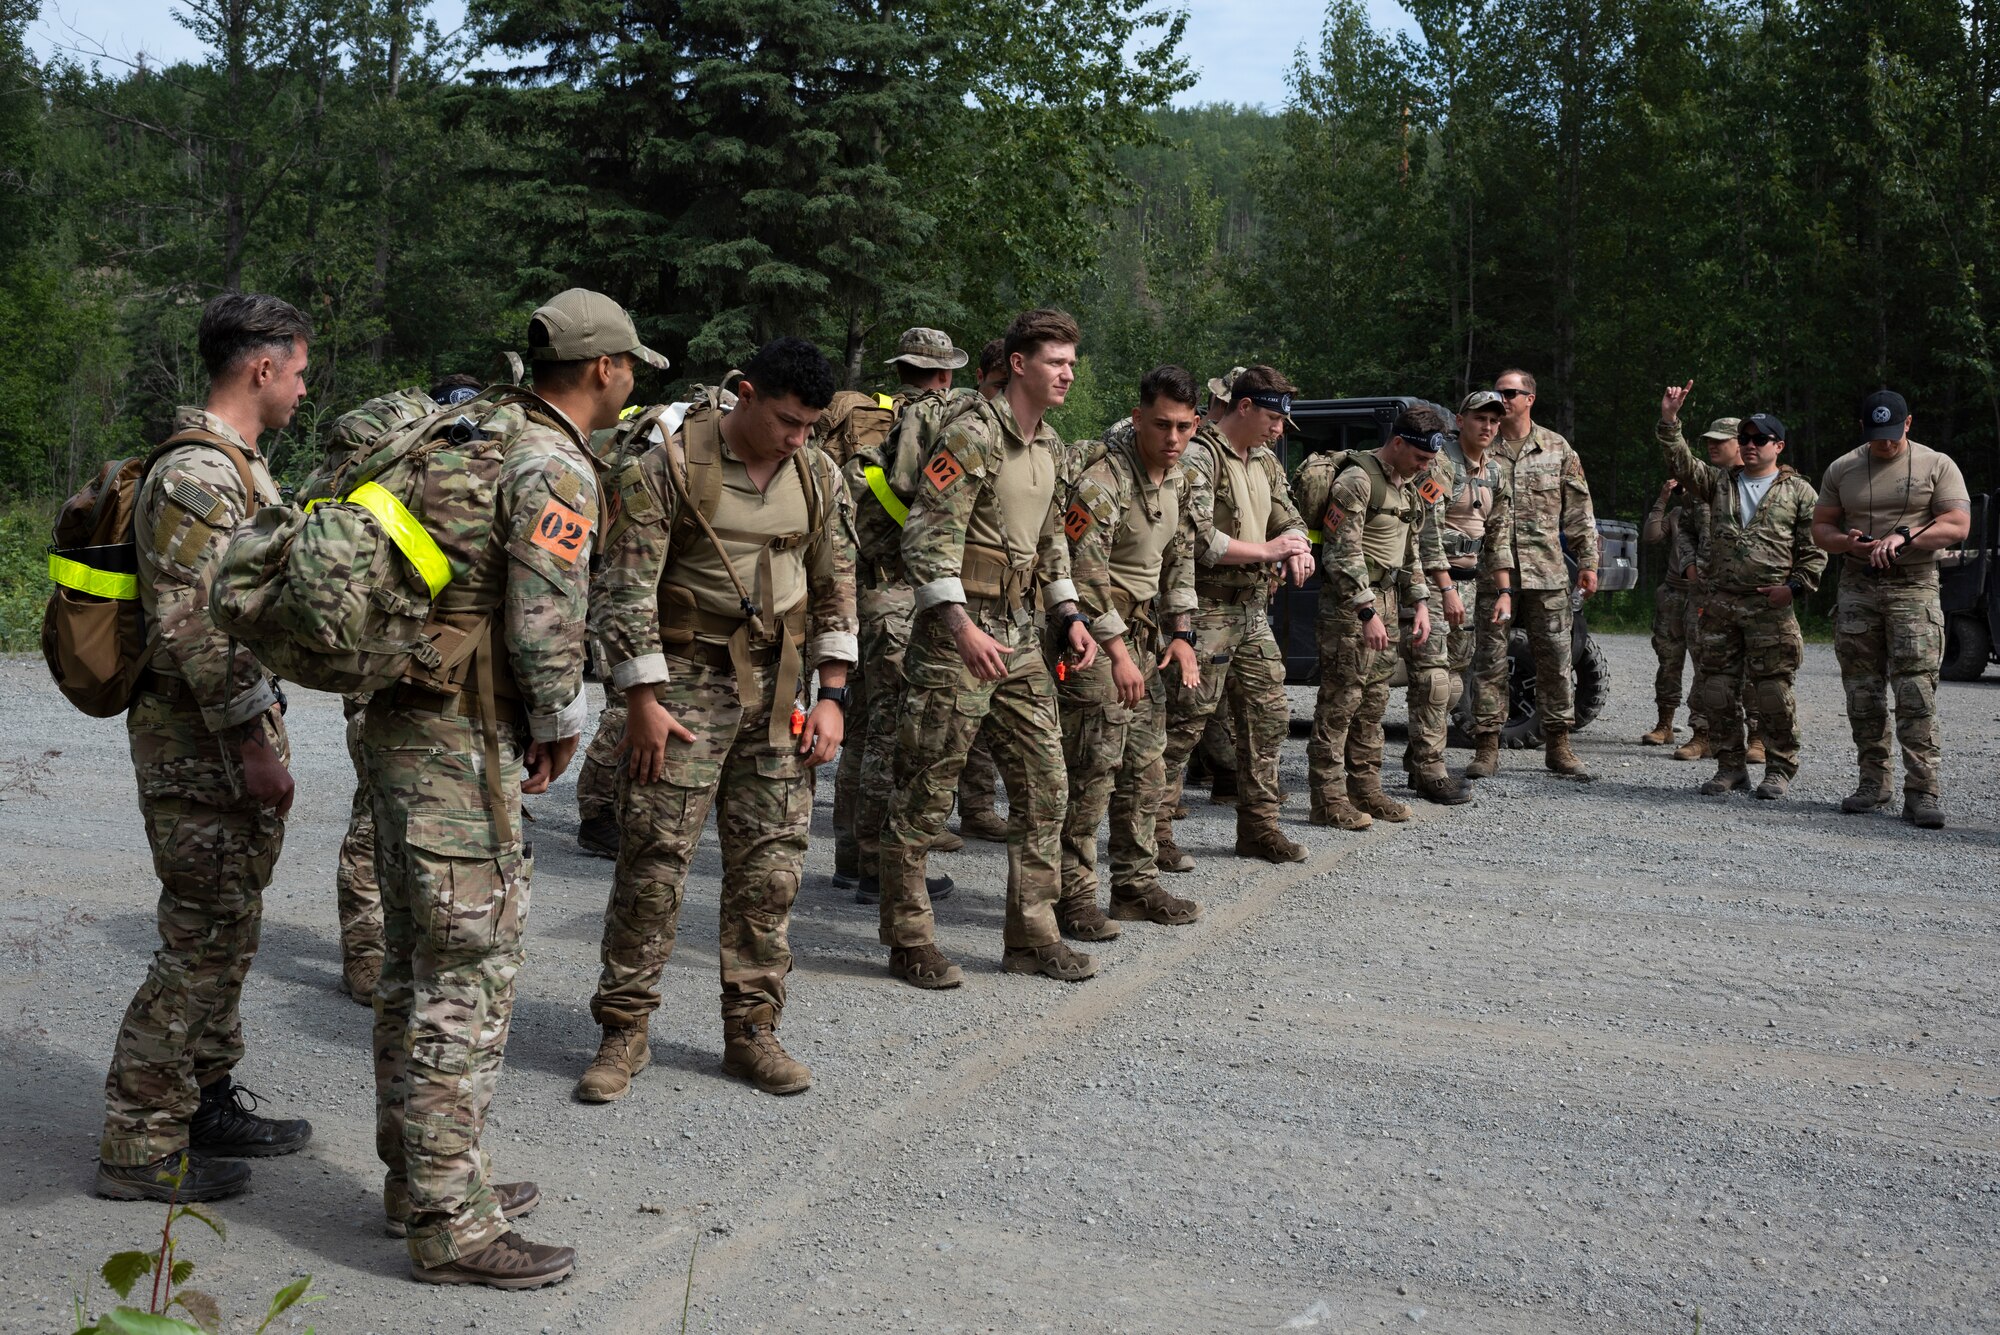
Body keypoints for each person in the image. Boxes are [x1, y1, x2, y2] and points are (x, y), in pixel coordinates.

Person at [369, 288, 644, 1287]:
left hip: (398, 710)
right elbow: (542, 619)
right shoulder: (553, 463)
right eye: (626, 369)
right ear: (603, 368)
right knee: (466, 979)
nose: (627, 386)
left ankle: (420, 1178)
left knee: (412, 963)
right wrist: (562, 725)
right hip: (462, 733)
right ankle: (452, 1224)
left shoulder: (472, 429)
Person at [580, 337, 857, 1101]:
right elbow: (624, 589)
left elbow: (837, 587)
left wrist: (832, 696)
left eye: (810, 424)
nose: (798, 436)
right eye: (786, 420)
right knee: (654, 864)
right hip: (684, 685)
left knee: (771, 871)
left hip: (779, 690)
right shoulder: (670, 464)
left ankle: (753, 1031)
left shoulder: (818, 475)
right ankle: (623, 1031)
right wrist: (640, 703)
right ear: (744, 391)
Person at [95, 292, 311, 1206]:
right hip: (201, 748)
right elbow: (195, 629)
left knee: (230, 930)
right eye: (299, 371)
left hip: (225, 739)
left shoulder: (238, 468)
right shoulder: (195, 478)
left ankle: (204, 1099)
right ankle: (137, 1141)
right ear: (260, 369)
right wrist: (255, 743)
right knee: (198, 941)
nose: (304, 387)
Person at [877, 307, 1101, 989]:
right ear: (1019, 365)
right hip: (959, 637)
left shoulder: (1052, 446)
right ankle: (909, 939)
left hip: (1023, 634)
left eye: (1071, 361)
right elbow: (924, 538)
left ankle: (1032, 936)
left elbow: (1052, 540)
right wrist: (958, 626)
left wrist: (1069, 611)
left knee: (1046, 787)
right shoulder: (972, 435)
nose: (1067, 372)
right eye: (1055, 361)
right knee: (924, 793)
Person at [314, 373, 486, 1003]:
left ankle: (409, 943)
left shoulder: (459, 481)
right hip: (382, 661)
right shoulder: (397, 477)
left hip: (441, 668)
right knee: (373, 814)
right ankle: (365, 950)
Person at [1055, 365, 1206, 938]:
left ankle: (1135, 886)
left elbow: (1181, 562)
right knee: (1092, 770)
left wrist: (1183, 635)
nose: (1173, 439)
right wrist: (1116, 650)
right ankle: (1071, 896)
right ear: (1139, 416)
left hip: (1144, 638)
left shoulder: (1184, 479)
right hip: (1095, 641)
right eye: (1162, 425)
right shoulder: (1103, 482)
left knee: (1146, 768)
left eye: (1185, 428)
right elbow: (1081, 572)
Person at [1157, 365, 1314, 867]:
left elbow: (1289, 514)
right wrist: (1268, 550)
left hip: (1251, 610)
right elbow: (1199, 541)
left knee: (1267, 718)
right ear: (1243, 407)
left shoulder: (1263, 460)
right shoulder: (1200, 457)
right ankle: (1153, 833)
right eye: (1270, 417)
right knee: (1183, 725)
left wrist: (1297, 546)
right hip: (1205, 609)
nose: (1277, 430)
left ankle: (1259, 828)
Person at [840, 327, 971, 901]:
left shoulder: (882, 421)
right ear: (944, 373)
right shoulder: (933, 419)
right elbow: (922, 498)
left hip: (865, 596)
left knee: (864, 728)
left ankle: (851, 855)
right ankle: (875, 867)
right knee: (889, 737)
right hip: (896, 597)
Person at [1811, 389, 1972, 828]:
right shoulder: (1842, 468)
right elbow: (1821, 527)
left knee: (1915, 692)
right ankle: (1872, 782)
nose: (1885, 444)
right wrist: (1847, 542)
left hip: (1913, 585)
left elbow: (1958, 525)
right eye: (1876, 435)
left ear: (1908, 423)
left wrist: (1905, 537)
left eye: (1893, 435)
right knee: (1862, 693)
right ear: (1864, 429)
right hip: (1858, 586)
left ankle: (1923, 791)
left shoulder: (1936, 465)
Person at [1658, 384, 1826, 799]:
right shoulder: (1718, 483)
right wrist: (1670, 420)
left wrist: (1795, 587)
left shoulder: (1799, 492)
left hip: (1769, 607)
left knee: (1771, 691)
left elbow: (1814, 548)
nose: (1750, 446)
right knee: (1717, 691)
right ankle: (1730, 767)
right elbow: (1681, 462)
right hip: (1720, 606)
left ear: (1778, 445)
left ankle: (1779, 767)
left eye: (1759, 440)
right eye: (1745, 439)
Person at [1294, 407, 1440, 829]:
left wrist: (1421, 603)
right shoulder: (1357, 481)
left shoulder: (1408, 486)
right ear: (1397, 443)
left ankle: (1366, 789)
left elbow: (1410, 552)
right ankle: (1328, 799)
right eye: (1419, 457)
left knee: (1374, 704)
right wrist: (1366, 610)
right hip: (1349, 610)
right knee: (1340, 705)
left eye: (1429, 461)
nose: (1425, 466)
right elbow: (1341, 553)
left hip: (1388, 603)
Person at [1473, 369, 1597, 780]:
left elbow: (1580, 512)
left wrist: (1589, 562)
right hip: (1494, 576)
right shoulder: (1481, 446)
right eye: (1497, 392)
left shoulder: (1557, 448)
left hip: (1547, 573)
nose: (1501, 399)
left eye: (1510, 393)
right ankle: (1487, 748)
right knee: (1490, 661)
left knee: (1556, 661)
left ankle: (1558, 746)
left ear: (1530, 398)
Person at [1640, 420, 1763, 761]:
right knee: (1708, 664)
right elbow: (1686, 531)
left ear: (1740, 443)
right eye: (1709, 440)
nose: (1712, 445)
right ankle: (1703, 734)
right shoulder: (1704, 487)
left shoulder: (1764, 483)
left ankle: (1758, 738)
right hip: (1704, 592)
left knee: (1756, 667)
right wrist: (1690, 565)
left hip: (1748, 591)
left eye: (1720, 441)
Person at [1441, 391, 1517, 783]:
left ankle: (1485, 749)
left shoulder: (1496, 473)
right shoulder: (1439, 465)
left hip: (1478, 583)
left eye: (1494, 421)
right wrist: (1443, 586)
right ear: (1460, 420)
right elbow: (1424, 531)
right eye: (1479, 419)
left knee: (1477, 667)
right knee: (1436, 673)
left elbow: (1499, 535)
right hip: (1438, 583)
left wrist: (1504, 591)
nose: (1487, 427)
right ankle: (1426, 755)